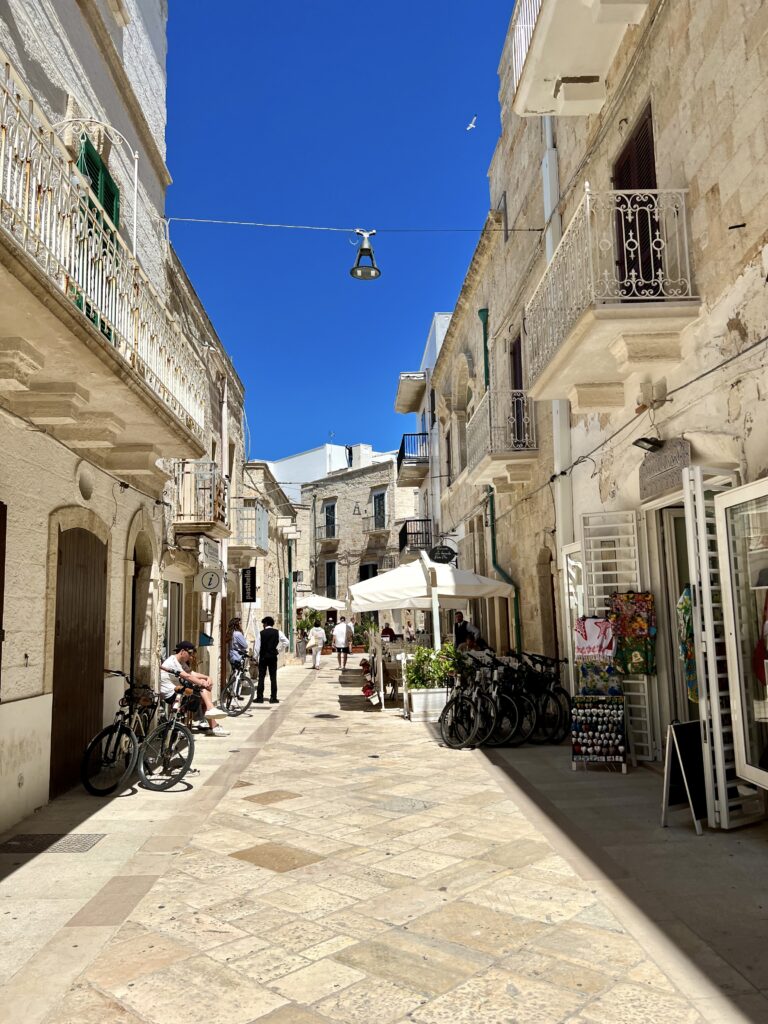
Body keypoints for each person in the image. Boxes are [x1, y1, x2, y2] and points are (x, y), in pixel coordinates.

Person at [160, 641, 229, 736]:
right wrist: (202, 683)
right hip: (171, 694)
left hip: (177, 691)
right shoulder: (173, 661)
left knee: (204, 691)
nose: (191, 657)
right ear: (182, 651)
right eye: (190, 653)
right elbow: (187, 677)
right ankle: (212, 718)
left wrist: (206, 677)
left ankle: (211, 716)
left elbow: (191, 673)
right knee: (203, 690)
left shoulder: (180, 662)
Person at [254, 616, 289, 703]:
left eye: (263, 624)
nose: (263, 625)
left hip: (263, 657)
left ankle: (259, 698)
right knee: (273, 678)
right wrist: (278, 649)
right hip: (273, 657)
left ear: (266, 623)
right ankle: (273, 697)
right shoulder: (278, 632)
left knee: (261, 677)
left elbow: (257, 648)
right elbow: (286, 642)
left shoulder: (261, 633)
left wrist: (255, 657)